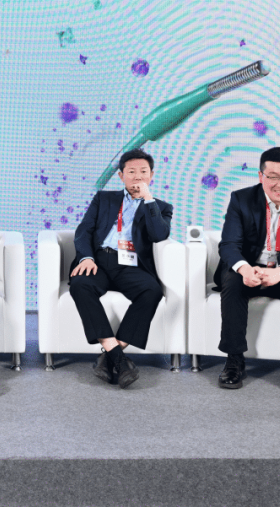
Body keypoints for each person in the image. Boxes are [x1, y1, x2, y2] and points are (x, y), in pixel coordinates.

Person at [215, 146, 280, 397]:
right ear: (260, 176)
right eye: (273, 176)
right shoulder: (241, 199)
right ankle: (234, 360)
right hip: (249, 267)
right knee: (232, 281)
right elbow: (229, 244)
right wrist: (244, 268)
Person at [70, 148, 173, 388]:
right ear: (121, 175)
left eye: (143, 172)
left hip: (131, 265)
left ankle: (110, 357)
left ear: (151, 175)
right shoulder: (104, 199)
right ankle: (118, 357)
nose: (138, 177)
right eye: (132, 172)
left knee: (152, 291)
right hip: (99, 260)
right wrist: (86, 258)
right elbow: (83, 231)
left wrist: (148, 200)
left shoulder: (161, 207)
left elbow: (159, 235)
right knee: (80, 284)